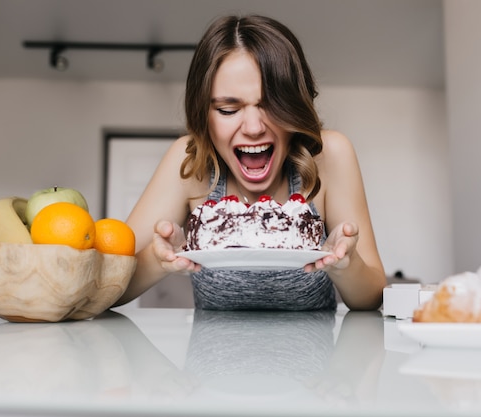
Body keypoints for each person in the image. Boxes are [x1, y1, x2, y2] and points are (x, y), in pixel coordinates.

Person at [114, 14, 385, 311]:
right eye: (229, 109)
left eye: (271, 105)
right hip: (211, 358)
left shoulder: (329, 154)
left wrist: (345, 265)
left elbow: (372, 297)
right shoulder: (190, 163)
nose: (254, 127)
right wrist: (158, 258)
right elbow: (112, 288)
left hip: (315, 357)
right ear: (204, 114)